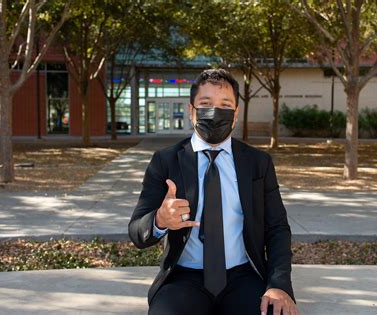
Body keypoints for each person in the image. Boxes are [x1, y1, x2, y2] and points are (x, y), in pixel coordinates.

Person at [128, 69, 299, 315]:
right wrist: (159, 220)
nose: (215, 112)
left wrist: (279, 285)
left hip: (244, 277)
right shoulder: (165, 161)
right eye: (205, 104)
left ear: (236, 114)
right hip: (184, 279)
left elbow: (277, 229)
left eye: (225, 105)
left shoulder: (258, 163)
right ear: (191, 111)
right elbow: (136, 232)